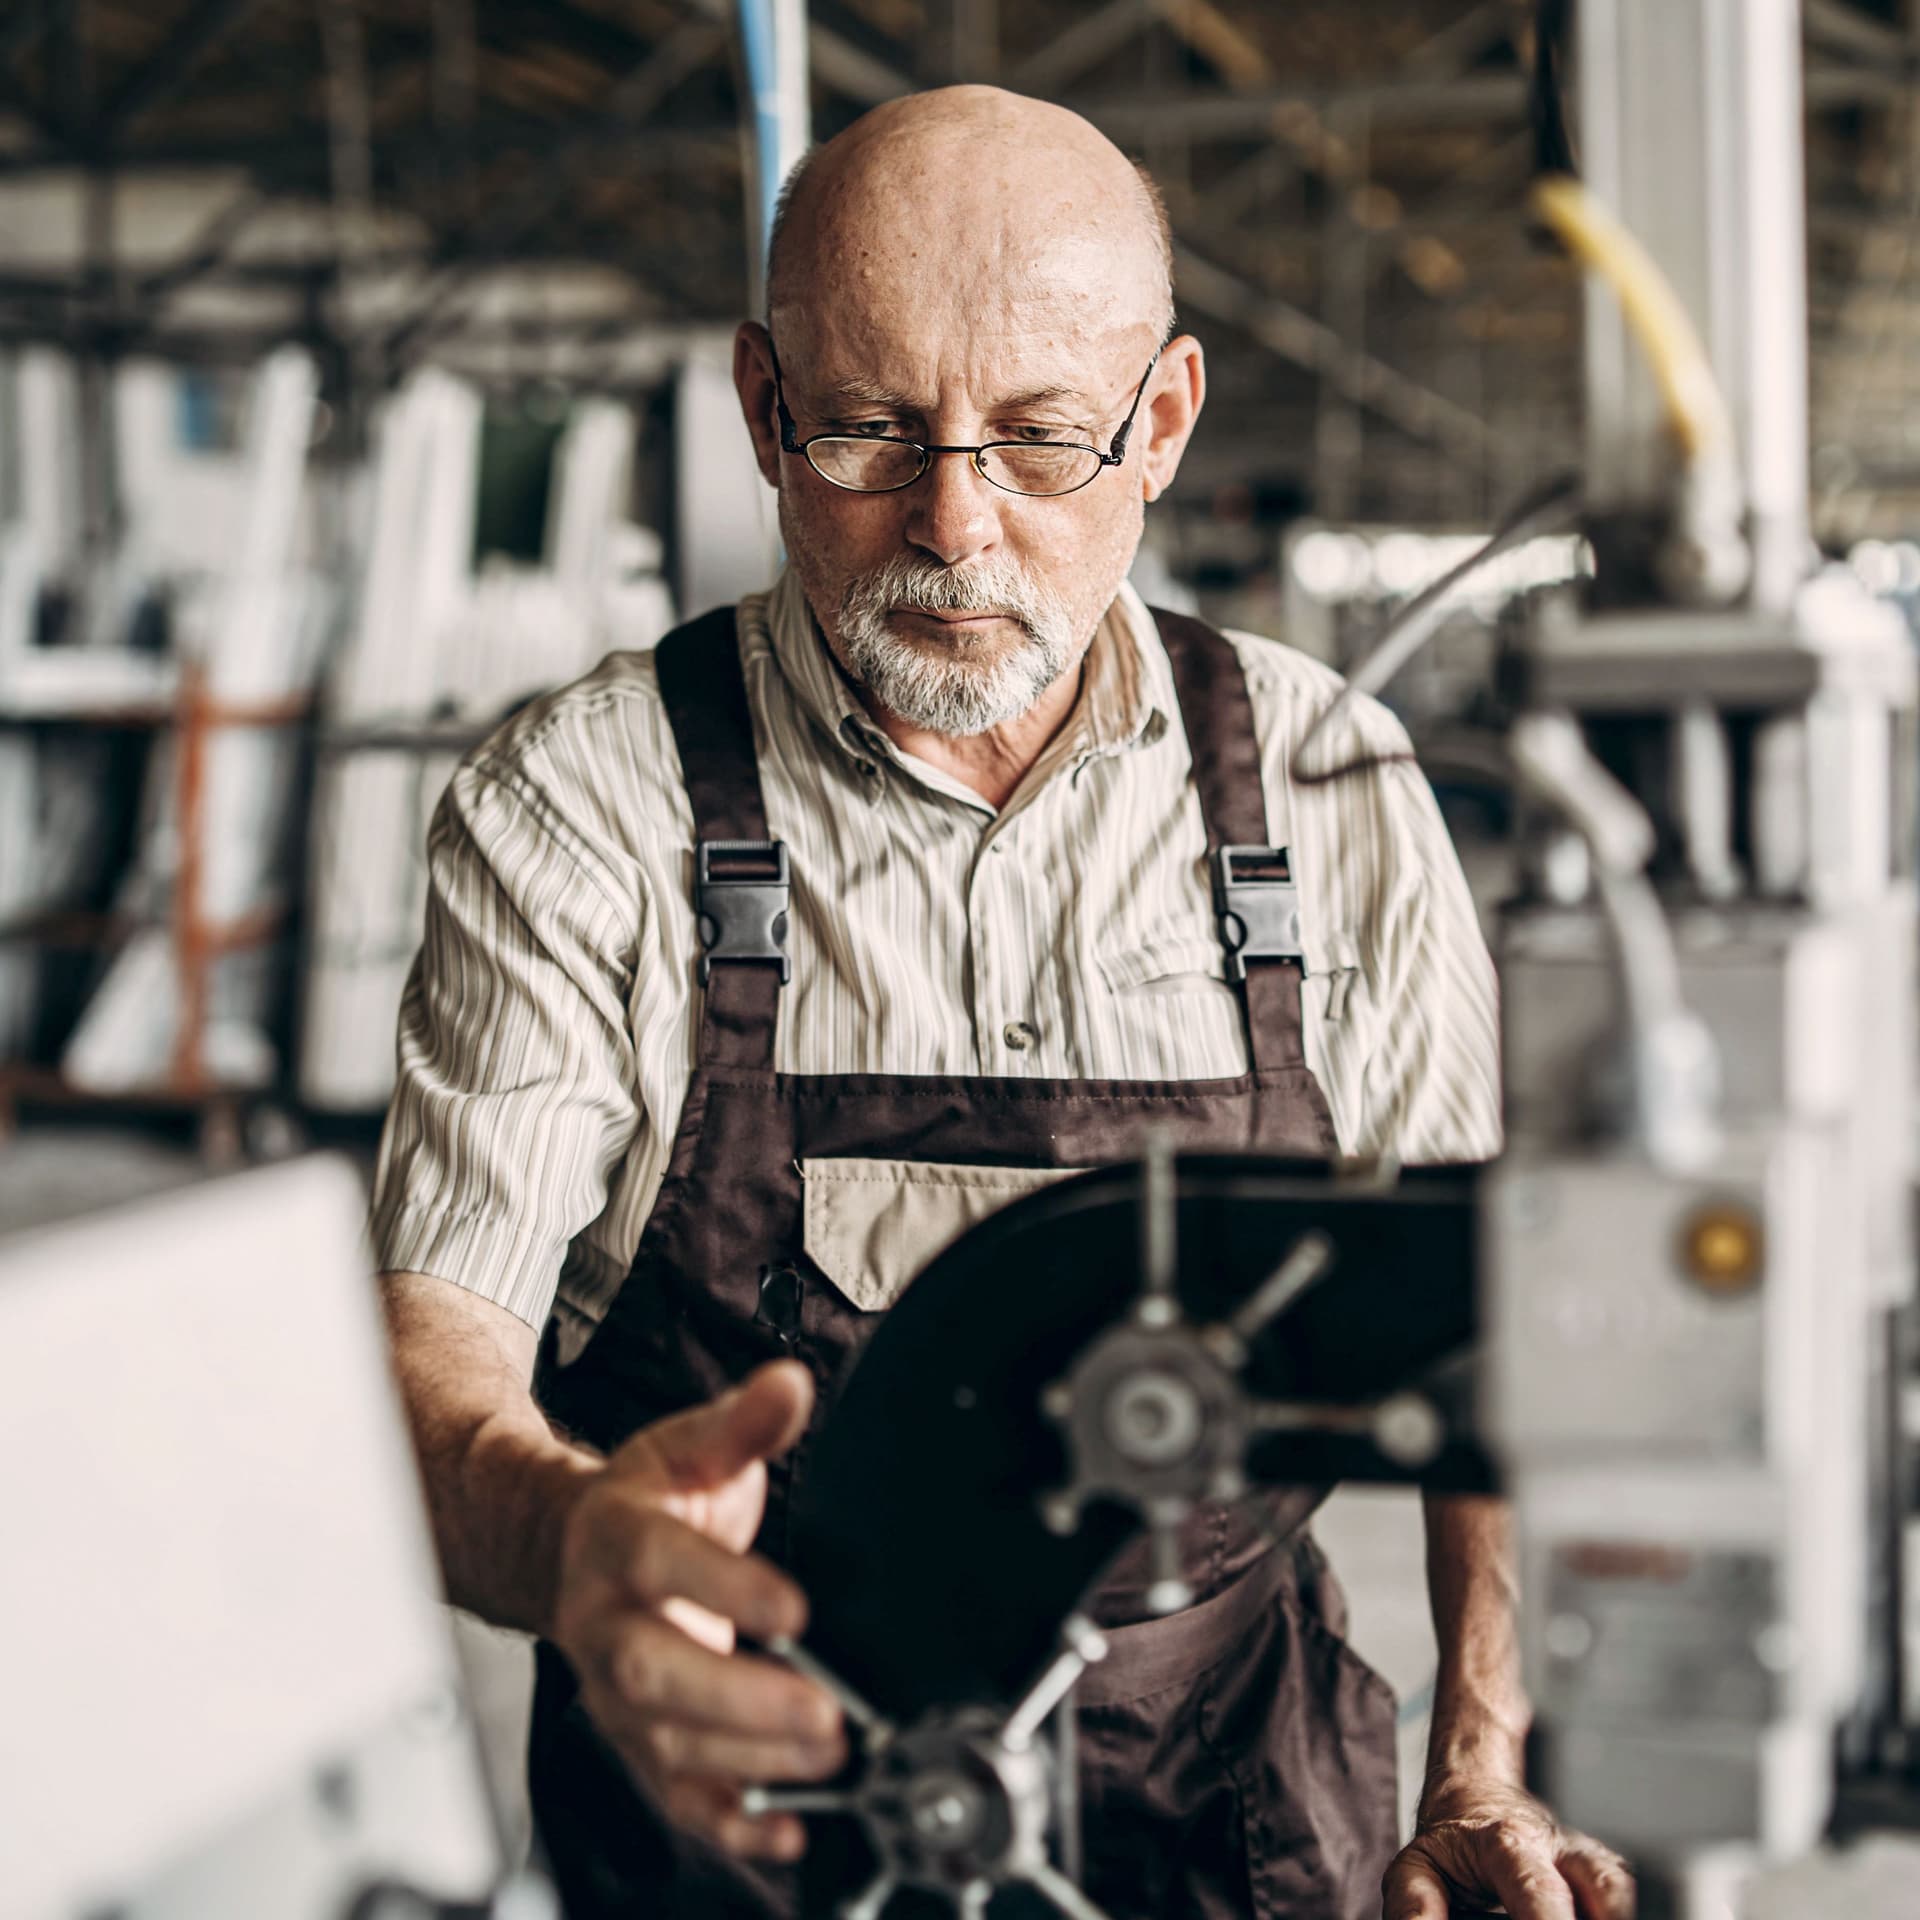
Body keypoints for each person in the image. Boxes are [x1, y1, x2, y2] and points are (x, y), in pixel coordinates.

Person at [373, 84, 1633, 1920]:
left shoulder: (1324, 784)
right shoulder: (585, 808)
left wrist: (1483, 1757)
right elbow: (425, 1364)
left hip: (1246, 1815)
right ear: (761, 409)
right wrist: (574, 1542)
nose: (954, 527)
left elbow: (1495, 1323)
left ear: (1166, 421)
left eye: (1043, 440)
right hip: (752, 1828)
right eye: (872, 431)